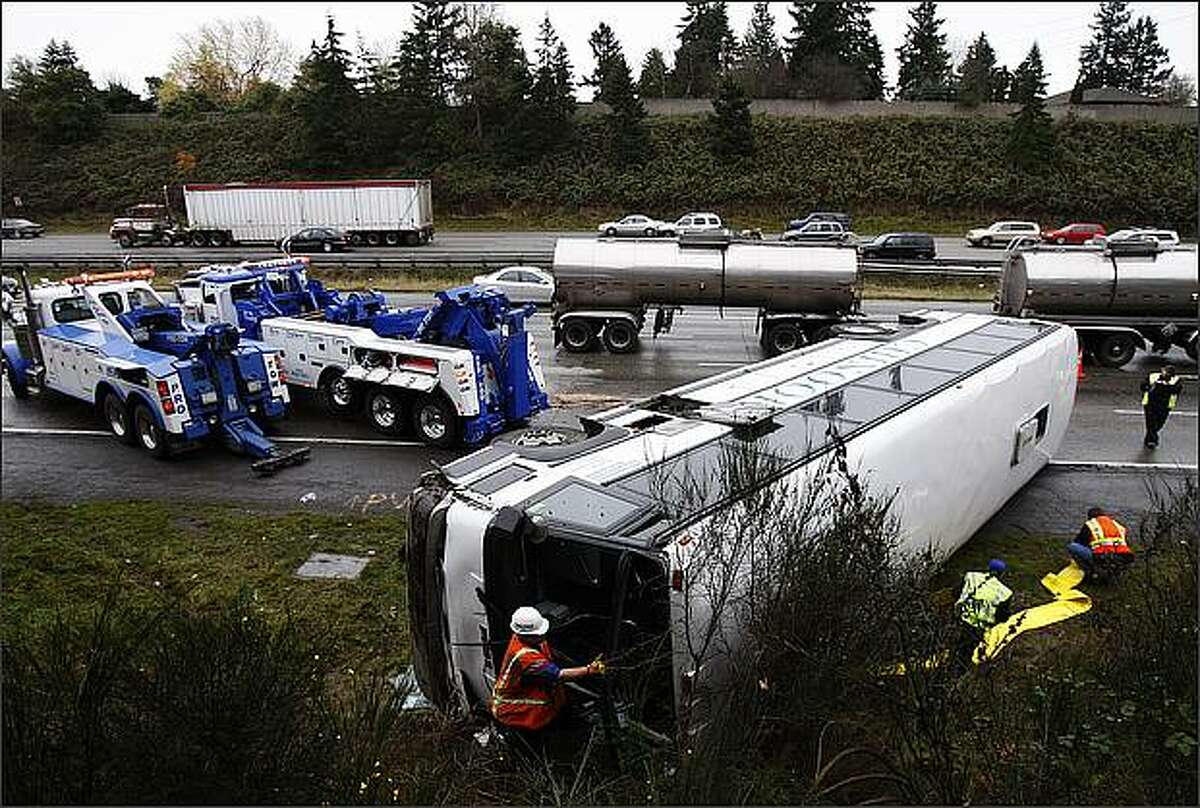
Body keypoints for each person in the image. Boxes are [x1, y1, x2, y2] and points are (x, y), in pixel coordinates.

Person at [491, 606, 605, 733]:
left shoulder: (525, 638)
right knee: (541, 717)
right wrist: (589, 670)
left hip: (522, 688)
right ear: (526, 636)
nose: (543, 635)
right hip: (513, 708)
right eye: (538, 634)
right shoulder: (526, 657)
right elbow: (559, 675)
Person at [955, 559, 1013, 663]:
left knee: (955, 646)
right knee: (965, 654)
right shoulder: (1004, 593)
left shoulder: (971, 576)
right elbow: (1002, 616)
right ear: (1002, 574)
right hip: (978, 627)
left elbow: (957, 592)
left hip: (960, 619)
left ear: (988, 568)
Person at [1066, 507, 1133, 581]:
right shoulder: (1117, 525)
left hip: (1101, 557)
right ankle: (1115, 573)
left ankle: (1091, 572)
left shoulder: (1091, 524)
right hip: (1123, 558)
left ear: (1090, 517)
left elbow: (1079, 541)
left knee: (1072, 546)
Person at [1140, 365, 1183, 449]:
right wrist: (1149, 387)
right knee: (1150, 422)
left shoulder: (1176, 381)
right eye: (1164, 371)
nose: (1165, 374)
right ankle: (1152, 441)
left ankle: (1149, 437)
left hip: (1165, 405)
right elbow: (1143, 386)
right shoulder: (1153, 377)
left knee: (1160, 423)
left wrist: (1164, 385)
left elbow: (1176, 391)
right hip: (1150, 403)